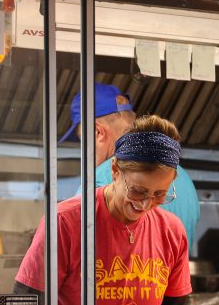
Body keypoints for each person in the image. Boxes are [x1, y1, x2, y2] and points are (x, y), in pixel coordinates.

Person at [15, 115, 192, 305]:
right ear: (114, 170)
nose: (145, 205)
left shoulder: (172, 231)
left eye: (159, 194)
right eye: (138, 191)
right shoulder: (67, 221)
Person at [59, 83, 200, 254]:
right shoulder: (181, 177)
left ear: (97, 132)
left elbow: (79, 253)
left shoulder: (102, 179)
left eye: (81, 139)